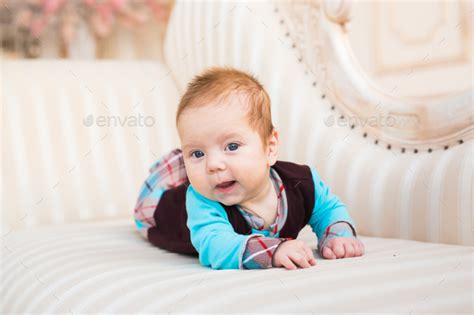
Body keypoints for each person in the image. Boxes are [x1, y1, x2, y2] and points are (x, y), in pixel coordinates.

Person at [134, 67, 365, 270]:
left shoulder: (301, 182)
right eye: (197, 153)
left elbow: (328, 209)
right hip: (163, 210)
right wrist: (273, 251)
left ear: (270, 147)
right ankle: (178, 163)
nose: (213, 164)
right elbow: (217, 247)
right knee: (161, 195)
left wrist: (337, 236)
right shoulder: (201, 199)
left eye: (232, 146)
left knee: (198, 165)